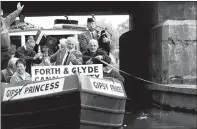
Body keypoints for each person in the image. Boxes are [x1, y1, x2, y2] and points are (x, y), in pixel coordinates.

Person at [1, 2, 24, 70]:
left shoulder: (6, 21)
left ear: (1, 12)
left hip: (6, 53)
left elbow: (12, 15)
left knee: (6, 69)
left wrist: (18, 10)